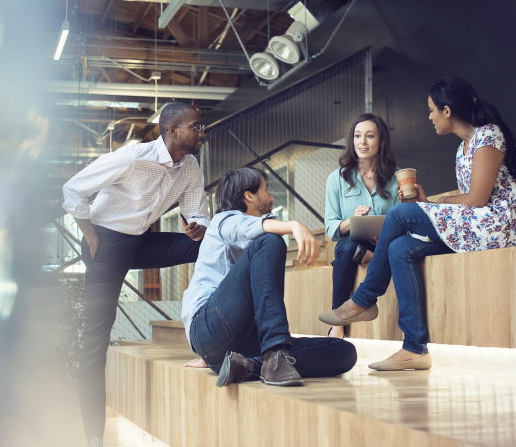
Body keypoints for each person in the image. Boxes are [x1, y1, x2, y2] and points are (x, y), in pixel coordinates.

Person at [319, 76, 516, 371]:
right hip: (478, 227)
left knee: (398, 215)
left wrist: (434, 205)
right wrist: (430, 203)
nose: (430, 117)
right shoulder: (462, 149)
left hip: (502, 226)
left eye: (432, 110)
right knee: (399, 248)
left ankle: (363, 300)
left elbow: (476, 199)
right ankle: (415, 348)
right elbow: (470, 203)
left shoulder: (489, 136)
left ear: (447, 111)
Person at [61, 103, 210, 446]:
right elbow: (73, 189)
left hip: (140, 242)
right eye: (196, 127)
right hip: (106, 244)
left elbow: (196, 213)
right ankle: (94, 436)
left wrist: (199, 229)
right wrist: (92, 236)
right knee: (96, 340)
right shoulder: (133, 157)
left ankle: (212, 332)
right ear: (173, 130)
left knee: (211, 245)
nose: (202, 133)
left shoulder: (189, 167)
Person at [181, 167, 357, 387]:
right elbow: (245, 229)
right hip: (208, 326)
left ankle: (251, 365)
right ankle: (274, 352)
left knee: (343, 351)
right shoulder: (223, 220)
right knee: (270, 240)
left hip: (237, 346)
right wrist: (294, 225)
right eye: (266, 189)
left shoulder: (258, 229)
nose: (272, 197)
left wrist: (214, 356)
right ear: (249, 195)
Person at [324, 114, 400, 339]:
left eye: (369, 136)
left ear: (381, 140)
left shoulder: (397, 177)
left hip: (384, 245)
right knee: (347, 245)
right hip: (353, 245)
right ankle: (338, 319)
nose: (362, 142)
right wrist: (353, 221)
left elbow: (401, 218)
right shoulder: (336, 179)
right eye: (358, 136)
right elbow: (331, 226)